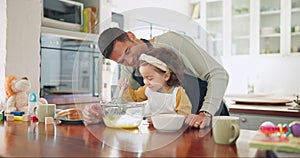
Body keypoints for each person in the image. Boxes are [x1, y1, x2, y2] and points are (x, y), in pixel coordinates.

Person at [83, 27, 229, 128]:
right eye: (121, 61)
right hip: (178, 131)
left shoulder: (172, 42)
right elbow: (122, 104)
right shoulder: (128, 67)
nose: (130, 61)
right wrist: (103, 115)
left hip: (210, 121)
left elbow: (218, 74)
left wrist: (205, 113)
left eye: (128, 51)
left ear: (131, 36)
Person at [123, 47, 192, 120]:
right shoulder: (147, 89)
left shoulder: (177, 93)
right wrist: (125, 89)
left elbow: (184, 116)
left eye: (150, 78)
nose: (145, 82)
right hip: (153, 129)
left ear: (166, 76)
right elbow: (134, 98)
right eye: (144, 78)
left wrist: (159, 120)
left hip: (172, 130)